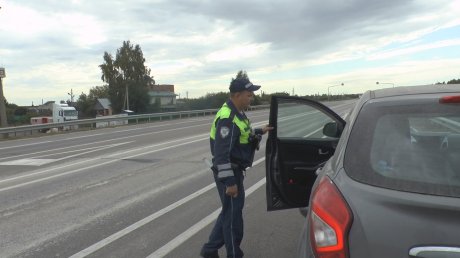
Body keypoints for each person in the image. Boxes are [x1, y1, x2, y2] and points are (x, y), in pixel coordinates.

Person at [200, 77, 273, 258]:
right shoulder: (228, 118)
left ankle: (209, 250)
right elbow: (221, 155)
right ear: (238, 95)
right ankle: (234, 254)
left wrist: (258, 131)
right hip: (229, 173)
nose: (252, 98)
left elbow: (242, 135)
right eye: (249, 95)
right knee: (233, 219)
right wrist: (230, 182)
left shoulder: (238, 114)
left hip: (234, 171)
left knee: (229, 212)